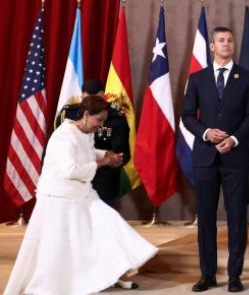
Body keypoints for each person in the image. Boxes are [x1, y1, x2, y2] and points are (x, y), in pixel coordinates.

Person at [4, 95, 156, 295]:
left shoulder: (85, 131)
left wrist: (105, 155)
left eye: (103, 120)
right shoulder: (64, 136)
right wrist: (102, 163)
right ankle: (58, 284)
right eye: (99, 120)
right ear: (85, 115)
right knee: (60, 246)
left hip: (82, 193)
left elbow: (86, 150)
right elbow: (71, 170)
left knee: (109, 226)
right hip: (59, 197)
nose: (101, 125)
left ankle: (113, 273)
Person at [181, 26, 249, 293]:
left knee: (237, 217)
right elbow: (187, 116)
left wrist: (234, 139)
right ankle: (208, 275)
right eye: (221, 40)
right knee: (206, 218)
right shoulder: (197, 78)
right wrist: (205, 133)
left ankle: (235, 276)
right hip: (205, 158)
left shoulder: (247, 78)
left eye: (230, 40)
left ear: (233, 46)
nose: (226, 43)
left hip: (235, 158)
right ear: (212, 46)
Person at [54, 78, 131, 206]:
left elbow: (121, 153)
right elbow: (61, 155)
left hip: (102, 183)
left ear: (104, 97)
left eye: (97, 100)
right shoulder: (68, 116)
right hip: (70, 184)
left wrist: (113, 158)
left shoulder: (116, 117)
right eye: (88, 101)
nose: (93, 105)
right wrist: (103, 158)